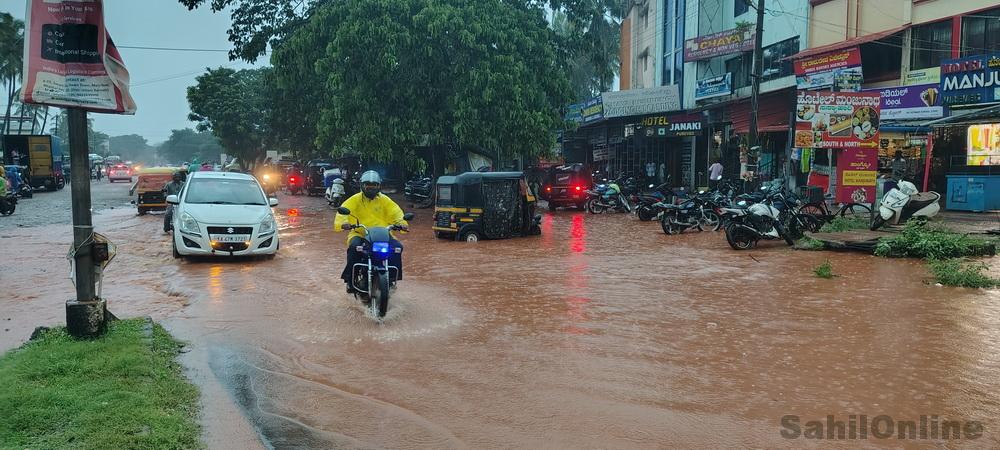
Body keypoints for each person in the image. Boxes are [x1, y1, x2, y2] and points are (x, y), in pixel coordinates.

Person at [334, 170, 408, 295]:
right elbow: (343, 213)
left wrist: (402, 224)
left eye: (374, 185)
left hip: (383, 235)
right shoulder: (354, 199)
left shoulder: (385, 200)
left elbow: (396, 213)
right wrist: (343, 224)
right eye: (368, 184)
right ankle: (350, 281)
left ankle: (392, 280)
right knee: (353, 248)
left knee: (397, 248)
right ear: (362, 185)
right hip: (360, 234)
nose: (371, 187)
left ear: (379, 186)